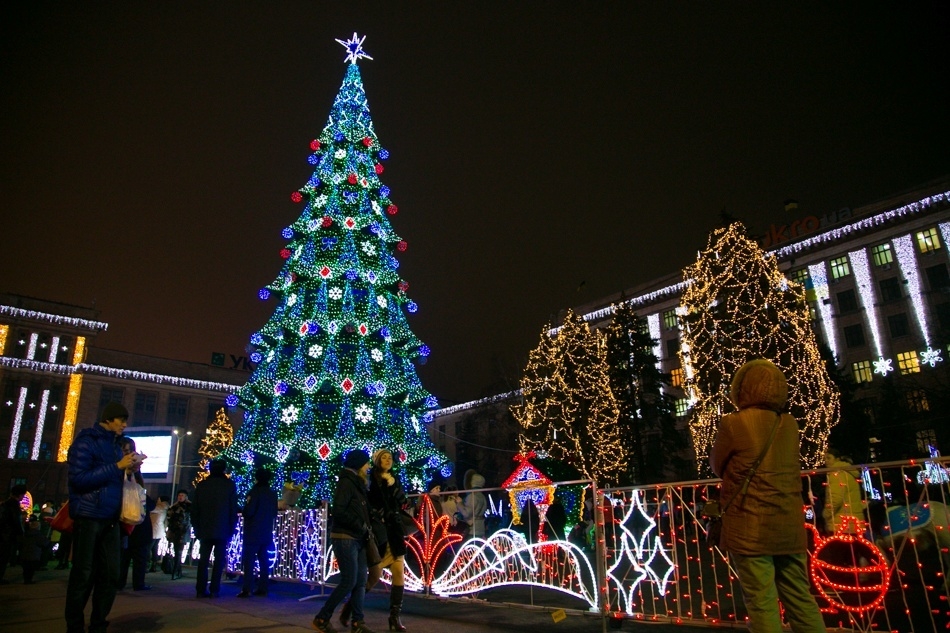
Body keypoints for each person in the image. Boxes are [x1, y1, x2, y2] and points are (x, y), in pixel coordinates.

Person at [710, 359, 826, 633]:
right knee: (800, 598)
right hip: (788, 526)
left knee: (761, 602)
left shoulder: (733, 423)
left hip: (750, 528)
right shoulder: (788, 424)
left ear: (741, 389)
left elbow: (717, 465)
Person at [65, 401, 144, 633]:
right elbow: (78, 479)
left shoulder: (117, 445)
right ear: (108, 419)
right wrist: (117, 466)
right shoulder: (86, 442)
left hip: (111, 518)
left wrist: (130, 469)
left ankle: (98, 624)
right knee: (83, 575)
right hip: (88, 516)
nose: (124, 425)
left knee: (111, 575)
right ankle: (75, 626)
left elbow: (115, 476)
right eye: (121, 420)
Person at [341, 448, 409, 632]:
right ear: (377, 461)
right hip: (380, 533)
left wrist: (393, 485)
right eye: (383, 458)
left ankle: (394, 618)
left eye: (389, 458)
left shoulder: (394, 479)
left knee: (399, 573)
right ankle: (350, 608)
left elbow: (404, 501)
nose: (387, 460)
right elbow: (369, 504)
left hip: (394, 532)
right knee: (374, 575)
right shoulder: (370, 480)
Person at [312, 449, 376, 633]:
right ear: (358, 465)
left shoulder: (357, 483)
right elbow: (340, 510)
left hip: (358, 537)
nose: (369, 467)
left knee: (361, 581)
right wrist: (360, 525)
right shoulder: (347, 483)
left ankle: (358, 622)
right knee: (349, 580)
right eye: (366, 463)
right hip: (346, 537)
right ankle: (322, 617)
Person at [191, 459, 238, 598]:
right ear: (224, 469)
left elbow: (195, 509)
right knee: (219, 561)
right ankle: (214, 589)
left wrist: (197, 527)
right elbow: (232, 509)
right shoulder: (229, 485)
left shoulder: (202, 485)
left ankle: (200, 589)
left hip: (204, 528)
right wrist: (232, 527)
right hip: (223, 529)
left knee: (203, 560)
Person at [117, 437, 154, 591]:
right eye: (125, 451)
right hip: (124, 524)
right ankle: (120, 582)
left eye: (131, 450)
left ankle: (134, 583)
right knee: (123, 557)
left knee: (136, 557)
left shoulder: (135, 476)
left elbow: (144, 500)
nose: (129, 455)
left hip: (138, 525)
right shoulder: (117, 471)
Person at [237, 467, 278, 598]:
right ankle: (263, 587)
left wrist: (243, 510)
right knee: (264, 560)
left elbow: (249, 511)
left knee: (249, 561)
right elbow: (274, 513)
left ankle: (247, 588)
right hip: (266, 531)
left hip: (253, 531)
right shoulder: (272, 493)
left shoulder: (254, 492)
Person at [822, 447, 867, 535]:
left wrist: (825, 514)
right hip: (854, 523)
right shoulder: (848, 473)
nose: (826, 461)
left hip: (841, 524)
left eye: (829, 458)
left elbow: (835, 499)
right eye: (824, 459)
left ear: (837, 459)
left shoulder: (837, 474)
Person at [0, 483, 27, 584]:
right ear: (20, 495)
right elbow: (16, 521)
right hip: (7, 535)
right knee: (3, 557)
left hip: (3, 534)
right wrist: (21, 533)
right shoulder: (14, 505)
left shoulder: (4, 503)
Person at [164, 490, 192, 580]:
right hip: (175, 532)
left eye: (182, 495)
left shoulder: (189, 506)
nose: (180, 497)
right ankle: (177, 571)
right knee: (177, 551)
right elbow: (169, 517)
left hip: (183, 532)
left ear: (186, 496)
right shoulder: (174, 506)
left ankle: (176, 571)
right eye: (179, 495)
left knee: (178, 551)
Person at [457, 470, 487, 539]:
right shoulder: (482, 496)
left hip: (472, 529)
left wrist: (459, 503)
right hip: (480, 528)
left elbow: (466, 513)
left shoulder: (472, 496)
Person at [19, 516, 48, 584]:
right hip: (34, 555)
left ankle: (26, 579)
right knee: (31, 569)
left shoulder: (25, 534)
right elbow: (44, 543)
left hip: (24, 554)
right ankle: (29, 580)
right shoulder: (38, 535)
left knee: (25, 569)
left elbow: (20, 542)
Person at [149, 495, 169, 572]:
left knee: (149, 548)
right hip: (158, 531)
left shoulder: (160, 507)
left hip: (155, 530)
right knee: (154, 548)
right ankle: (153, 565)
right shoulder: (164, 507)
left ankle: (148, 564)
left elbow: (151, 509)